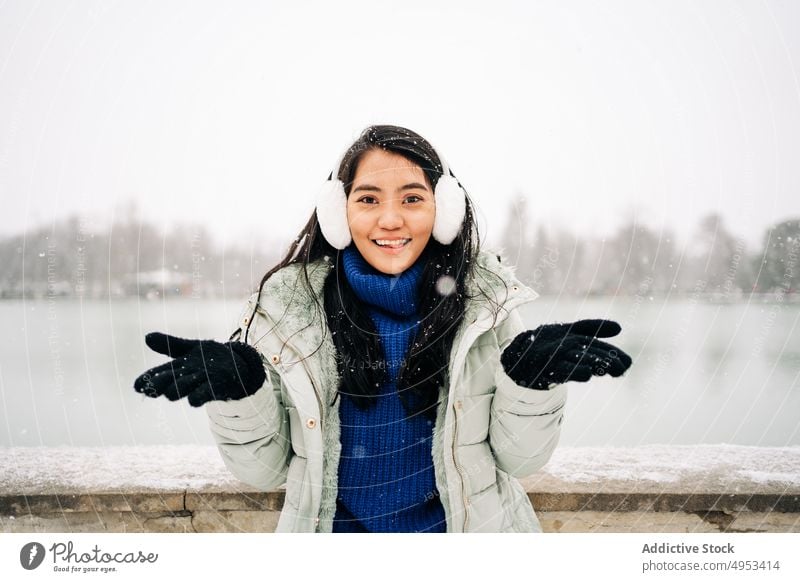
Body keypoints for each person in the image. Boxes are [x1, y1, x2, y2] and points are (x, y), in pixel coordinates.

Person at [134, 124, 633, 533]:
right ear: (338, 212)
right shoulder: (292, 315)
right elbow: (262, 472)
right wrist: (242, 395)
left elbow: (519, 461)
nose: (390, 219)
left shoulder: (486, 310)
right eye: (368, 199)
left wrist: (530, 385)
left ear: (444, 210)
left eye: (412, 199)